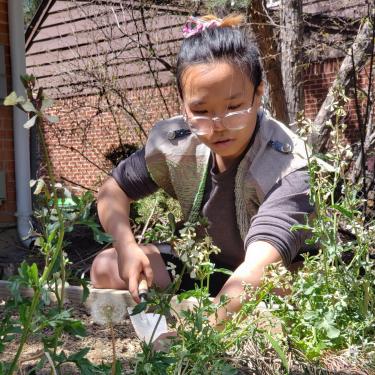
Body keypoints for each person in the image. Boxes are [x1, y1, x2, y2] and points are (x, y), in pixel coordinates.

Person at [90, 14, 315, 326]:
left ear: (259, 93)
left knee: (270, 287)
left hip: (276, 273)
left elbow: (257, 271)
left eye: (235, 108)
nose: (218, 126)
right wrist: (126, 245)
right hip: (207, 269)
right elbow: (113, 189)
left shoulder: (288, 165)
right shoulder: (178, 143)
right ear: (183, 106)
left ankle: (220, 315)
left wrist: (196, 337)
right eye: (201, 112)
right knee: (106, 266)